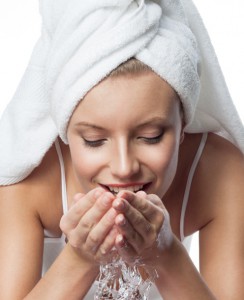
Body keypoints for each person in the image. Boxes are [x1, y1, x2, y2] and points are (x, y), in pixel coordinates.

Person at [0, 0, 243, 299]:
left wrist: (166, 254)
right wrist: (80, 259)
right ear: (64, 130)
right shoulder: (27, 182)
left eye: (151, 136)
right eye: (93, 140)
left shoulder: (221, 173)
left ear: (183, 125)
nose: (124, 166)